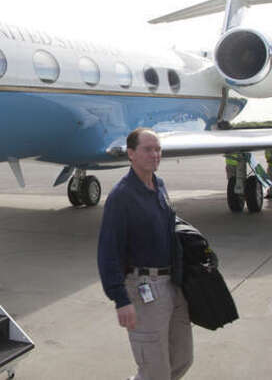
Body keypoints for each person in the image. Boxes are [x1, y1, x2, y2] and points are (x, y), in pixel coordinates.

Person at [98, 128, 193, 380]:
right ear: (131, 154)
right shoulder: (122, 196)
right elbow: (108, 251)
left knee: (182, 358)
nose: (155, 154)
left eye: (158, 149)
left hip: (173, 284)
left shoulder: (159, 186)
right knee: (154, 369)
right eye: (148, 149)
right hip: (144, 288)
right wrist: (121, 300)